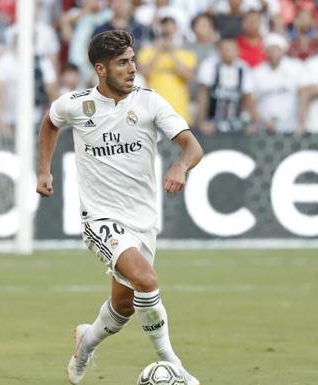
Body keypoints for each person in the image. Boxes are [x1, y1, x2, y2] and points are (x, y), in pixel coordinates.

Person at [36, 30, 203, 385]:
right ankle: (175, 366)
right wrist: (43, 170)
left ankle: (84, 344)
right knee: (147, 279)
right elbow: (50, 122)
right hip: (100, 219)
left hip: (142, 220)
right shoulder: (77, 104)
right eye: (123, 63)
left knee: (124, 306)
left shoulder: (150, 102)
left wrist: (179, 166)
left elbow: (192, 147)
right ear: (100, 69)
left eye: (133, 61)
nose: (132, 69)